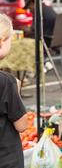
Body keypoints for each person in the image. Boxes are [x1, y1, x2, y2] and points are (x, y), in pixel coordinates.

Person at [0, 14, 28, 168]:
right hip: (6, 158)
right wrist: (15, 91)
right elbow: (22, 125)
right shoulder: (6, 81)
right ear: (2, 41)